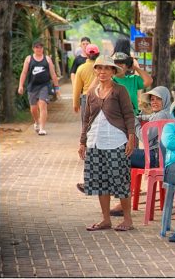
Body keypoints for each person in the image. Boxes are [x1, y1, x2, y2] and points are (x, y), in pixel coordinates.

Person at [78, 55, 135, 232]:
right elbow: (86, 119)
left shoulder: (120, 90)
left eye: (106, 68)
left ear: (112, 71)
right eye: (99, 68)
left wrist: (131, 137)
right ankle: (106, 219)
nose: (102, 72)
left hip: (117, 141)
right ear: (95, 71)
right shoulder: (91, 93)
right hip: (95, 141)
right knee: (101, 181)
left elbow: (128, 115)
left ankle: (128, 220)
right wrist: (82, 142)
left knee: (120, 180)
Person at [109, 86, 173, 216]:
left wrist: (134, 123)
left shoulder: (161, 115)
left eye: (158, 99)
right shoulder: (168, 113)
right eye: (152, 99)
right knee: (125, 161)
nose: (154, 102)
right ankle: (119, 196)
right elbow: (149, 117)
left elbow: (145, 137)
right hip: (163, 158)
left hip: (155, 158)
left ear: (165, 100)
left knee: (120, 154)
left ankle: (115, 193)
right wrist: (140, 116)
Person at [18, 40, 60, 136]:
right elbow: (24, 73)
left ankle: (42, 128)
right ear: (33, 49)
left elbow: (53, 73)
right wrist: (20, 85)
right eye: (37, 47)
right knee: (33, 108)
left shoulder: (47, 59)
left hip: (44, 85)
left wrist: (56, 87)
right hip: (32, 86)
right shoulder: (29, 59)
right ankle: (36, 121)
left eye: (40, 47)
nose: (39, 49)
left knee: (42, 104)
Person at [73, 44, 100, 122]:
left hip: (86, 98)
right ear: (98, 54)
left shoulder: (81, 68)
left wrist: (76, 104)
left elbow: (77, 88)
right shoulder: (102, 67)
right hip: (101, 97)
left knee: (86, 123)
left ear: (86, 54)